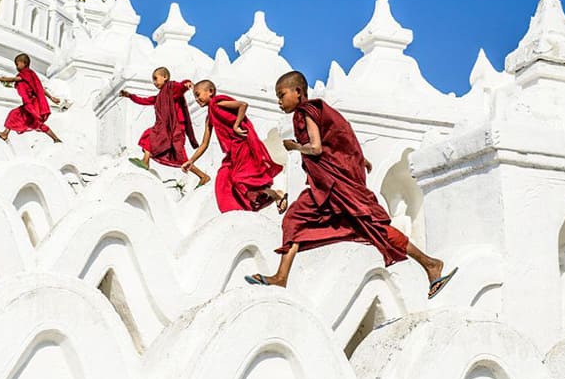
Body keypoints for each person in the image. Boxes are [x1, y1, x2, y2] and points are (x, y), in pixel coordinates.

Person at [245, 71, 457, 299]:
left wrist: (295, 147)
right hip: (324, 187)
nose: (278, 101)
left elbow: (316, 148)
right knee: (295, 219)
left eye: (281, 94)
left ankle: (430, 264)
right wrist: (357, 158)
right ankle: (281, 276)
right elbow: (339, 139)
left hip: (334, 188)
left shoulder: (308, 111)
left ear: (298, 92)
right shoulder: (313, 112)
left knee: (374, 228)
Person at [183, 80, 287, 213]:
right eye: (195, 97)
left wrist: (236, 125)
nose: (197, 99)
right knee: (223, 178)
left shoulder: (218, 103)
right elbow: (204, 143)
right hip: (231, 154)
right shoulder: (209, 117)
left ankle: (276, 194)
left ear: (210, 92)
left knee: (241, 179)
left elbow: (243, 105)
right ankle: (234, 213)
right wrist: (191, 161)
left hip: (242, 147)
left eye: (198, 94)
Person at [120, 67, 210, 186]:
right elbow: (144, 100)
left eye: (156, 78)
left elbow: (181, 87)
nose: (155, 82)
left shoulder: (172, 88)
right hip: (164, 129)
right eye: (153, 80)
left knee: (181, 157)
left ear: (165, 77)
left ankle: (203, 176)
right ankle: (145, 161)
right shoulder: (159, 97)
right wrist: (130, 96)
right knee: (149, 135)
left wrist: (187, 84)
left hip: (176, 128)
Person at [0, 53, 62, 143]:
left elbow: (16, 80)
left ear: (23, 63)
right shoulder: (29, 75)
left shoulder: (27, 74)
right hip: (28, 104)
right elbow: (39, 88)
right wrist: (51, 97)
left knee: (36, 122)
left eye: (17, 64)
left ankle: (56, 139)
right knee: (14, 114)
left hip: (33, 104)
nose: (16, 67)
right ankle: (5, 134)